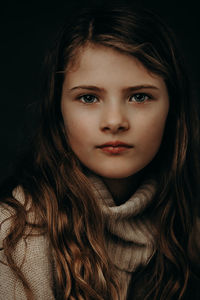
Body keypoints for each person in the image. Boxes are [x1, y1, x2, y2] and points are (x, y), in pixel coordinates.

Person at [0, 3, 199, 300]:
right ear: (58, 111)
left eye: (139, 96)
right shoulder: (15, 238)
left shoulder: (188, 221)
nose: (115, 121)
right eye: (89, 97)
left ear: (172, 108)